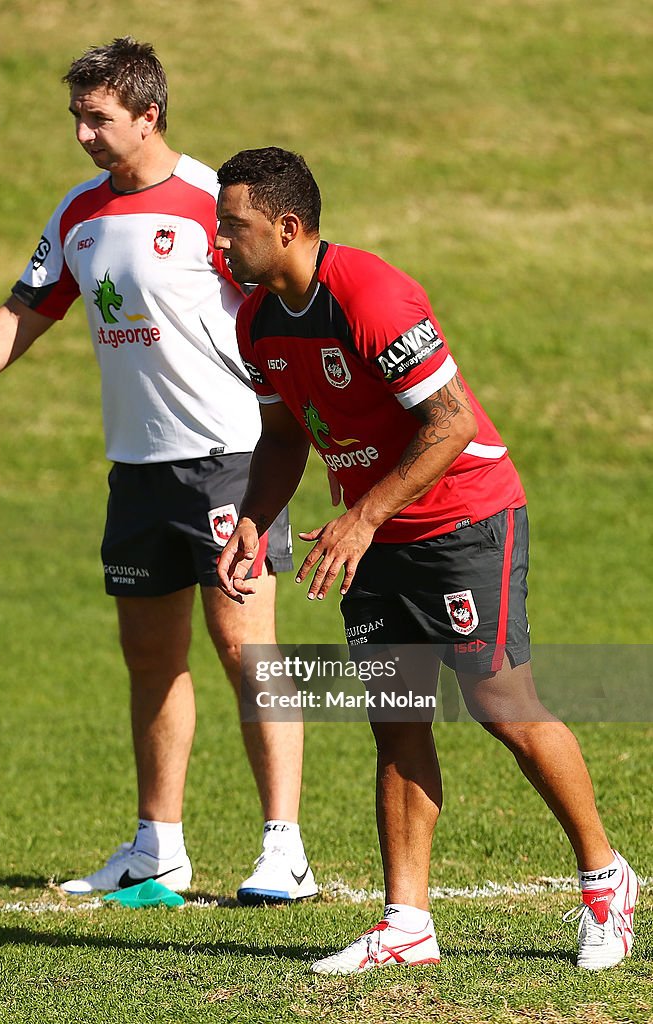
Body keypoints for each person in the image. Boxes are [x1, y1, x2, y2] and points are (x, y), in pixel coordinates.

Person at [0, 41, 318, 906]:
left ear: (149, 115)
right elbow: (24, 314)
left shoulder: (212, 206)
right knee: (149, 657)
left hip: (229, 461)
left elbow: (284, 309)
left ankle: (284, 849)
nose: (81, 134)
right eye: (76, 116)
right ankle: (158, 850)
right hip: (137, 469)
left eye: (97, 118)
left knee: (245, 650)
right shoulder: (78, 212)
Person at [214, 146, 637, 971]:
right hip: (371, 537)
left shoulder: (370, 294)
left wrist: (362, 517)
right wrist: (254, 519)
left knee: (500, 703)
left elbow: (450, 423)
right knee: (397, 716)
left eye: (233, 226)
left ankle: (604, 878)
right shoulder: (255, 321)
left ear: (287, 226)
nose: (220, 242)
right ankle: (406, 925)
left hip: (463, 518)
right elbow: (283, 436)